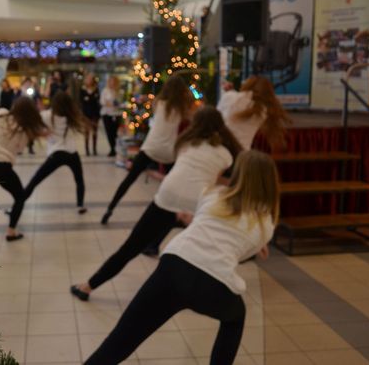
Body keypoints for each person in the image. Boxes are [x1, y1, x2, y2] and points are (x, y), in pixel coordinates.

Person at [84, 150, 279, 365]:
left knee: (119, 343)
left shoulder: (214, 194)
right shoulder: (265, 224)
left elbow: (207, 225)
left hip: (174, 266)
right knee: (235, 317)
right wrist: (258, 246)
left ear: (239, 174)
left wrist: (189, 219)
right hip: (214, 283)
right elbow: (240, 254)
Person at [71, 106, 242, 301]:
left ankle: (87, 287)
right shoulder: (226, 155)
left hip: (166, 197)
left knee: (129, 248)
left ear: (196, 125)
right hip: (195, 206)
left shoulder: (186, 143)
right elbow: (215, 180)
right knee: (208, 251)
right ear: (220, 127)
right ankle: (210, 293)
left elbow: (185, 171)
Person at [100, 76, 195, 225]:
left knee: (129, 180)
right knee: (174, 186)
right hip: (169, 153)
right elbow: (193, 107)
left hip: (150, 148)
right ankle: (177, 216)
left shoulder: (158, 103)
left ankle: (110, 208)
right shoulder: (183, 109)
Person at [0, 96, 46, 241]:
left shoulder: (1, 113)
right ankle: (11, 231)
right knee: (19, 197)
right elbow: (19, 149)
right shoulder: (24, 131)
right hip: (1, 166)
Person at [24, 91, 88, 214]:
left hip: (56, 153)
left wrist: (40, 109)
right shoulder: (72, 116)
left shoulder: (47, 115)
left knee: (35, 180)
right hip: (72, 153)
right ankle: (80, 205)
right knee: (79, 180)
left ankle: (18, 203)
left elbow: (35, 122)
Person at [217, 75, 290, 151]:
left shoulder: (230, 97)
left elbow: (217, 117)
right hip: (242, 152)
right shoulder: (263, 111)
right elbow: (248, 102)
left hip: (222, 150)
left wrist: (228, 93)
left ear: (247, 85)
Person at [100, 76, 122, 157]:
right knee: (109, 132)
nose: (112, 83)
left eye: (114, 81)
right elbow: (103, 102)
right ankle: (112, 148)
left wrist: (113, 103)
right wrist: (110, 104)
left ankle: (116, 148)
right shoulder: (105, 91)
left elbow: (120, 102)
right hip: (107, 114)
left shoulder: (118, 91)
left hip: (117, 114)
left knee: (115, 132)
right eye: (111, 81)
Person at [80, 72, 101, 156]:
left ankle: (94, 149)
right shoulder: (82, 89)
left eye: (90, 79)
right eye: (88, 78)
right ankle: (87, 149)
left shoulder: (96, 89)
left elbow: (96, 99)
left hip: (95, 112)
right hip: (86, 113)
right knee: (86, 132)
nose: (89, 80)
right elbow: (82, 100)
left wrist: (88, 99)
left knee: (95, 132)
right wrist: (89, 99)